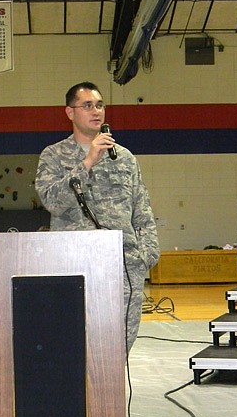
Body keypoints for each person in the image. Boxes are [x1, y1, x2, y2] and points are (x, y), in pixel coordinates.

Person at [35, 81, 159, 351]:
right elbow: (52, 201)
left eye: (100, 105)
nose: (96, 111)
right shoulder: (54, 155)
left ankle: (109, 393)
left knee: (120, 344)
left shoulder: (124, 158)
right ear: (70, 113)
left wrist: (146, 256)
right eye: (88, 105)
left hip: (124, 266)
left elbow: (143, 211)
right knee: (73, 341)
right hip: (73, 265)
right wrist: (88, 161)